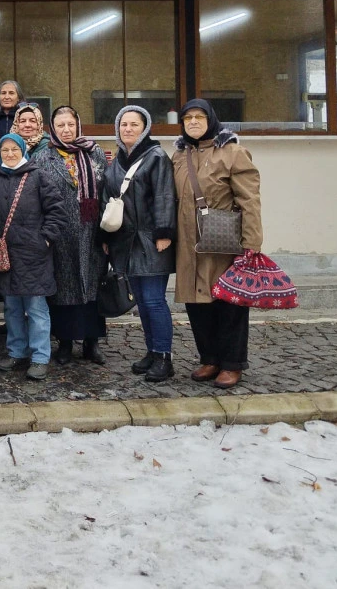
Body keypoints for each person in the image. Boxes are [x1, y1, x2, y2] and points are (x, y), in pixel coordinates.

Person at [172, 99, 262, 389]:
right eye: (188, 119)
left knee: (229, 303)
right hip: (189, 244)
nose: (194, 122)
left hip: (224, 242)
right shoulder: (178, 156)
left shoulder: (233, 153)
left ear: (211, 119)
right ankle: (209, 359)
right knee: (197, 304)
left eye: (199, 117)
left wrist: (252, 243)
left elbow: (249, 200)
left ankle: (232, 363)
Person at [100, 105, 177, 383]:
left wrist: (164, 233)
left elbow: (165, 196)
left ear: (144, 128)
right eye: (124, 125)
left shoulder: (156, 156)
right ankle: (151, 351)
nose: (128, 129)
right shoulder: (117, 160)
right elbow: (108, 200)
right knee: (142, 302)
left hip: (150, 238)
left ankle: (164, 357)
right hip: (125, 241)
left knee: (155, 300)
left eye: (134, 124)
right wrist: (107, 237)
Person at [33, 105, 109, 365]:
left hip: (91, 232)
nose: (66, 130)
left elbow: (106, 191)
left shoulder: (95, 152)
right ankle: (64, 343)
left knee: (92, 287)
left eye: (70, 124)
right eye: (61, 125)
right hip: (61, 234)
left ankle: (92, 342)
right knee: (63, 289)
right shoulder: (44, 157)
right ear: (53, 128)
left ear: (78, 125)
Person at [0, 133, 68, 380]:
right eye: (5, 150)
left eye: (14, 149)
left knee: (36, 308)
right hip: (7, 255)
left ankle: (40, 357)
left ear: (23, 151)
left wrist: (44, 238)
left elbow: (57, 211)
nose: (10, 154)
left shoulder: (38, 176)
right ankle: (16, 351)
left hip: (34, 254)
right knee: (12, 307)